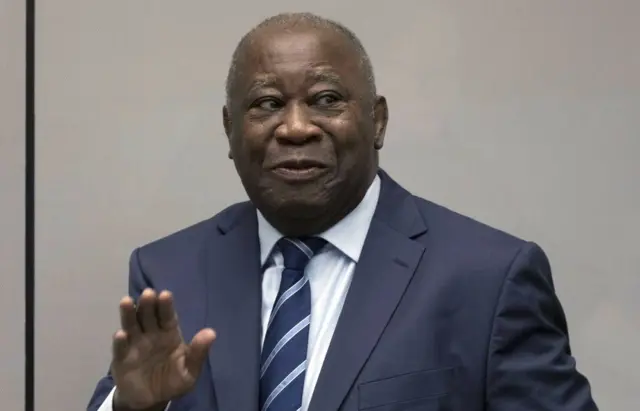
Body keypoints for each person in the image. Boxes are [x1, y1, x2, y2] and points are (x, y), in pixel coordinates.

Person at [86, 12, 598, 411]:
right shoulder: (168, 274)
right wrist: (135, 407)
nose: (294, 127)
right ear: (230, 131)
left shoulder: (489, 279)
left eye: (325, 99)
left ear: (377, 121)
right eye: (266, 104)